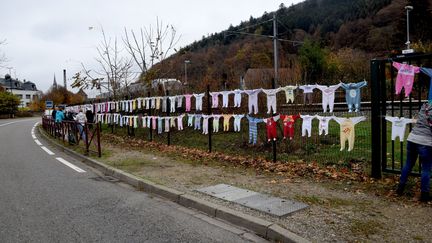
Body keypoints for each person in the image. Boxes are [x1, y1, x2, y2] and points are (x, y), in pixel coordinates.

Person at [396, 101, 432, 202]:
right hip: (426, 141)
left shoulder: (425, 105)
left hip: (412, 138)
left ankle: (400, 188)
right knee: (426, 168)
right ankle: (424, 194)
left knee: (408, 164)